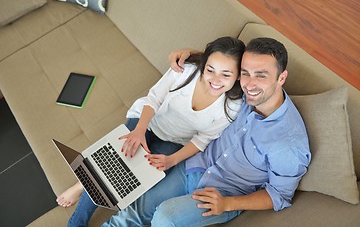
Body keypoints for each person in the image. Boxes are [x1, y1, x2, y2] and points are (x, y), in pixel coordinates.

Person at [99, 37, 311, 226]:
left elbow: (279, 196)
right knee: (132, 213)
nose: (250, 84)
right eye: (245, 74)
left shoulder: (289, 144)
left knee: (164, 218)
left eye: (261, 75)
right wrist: (189, 54)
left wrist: (228, 204)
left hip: (224, 193)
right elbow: (220, 63)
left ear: (281, 78)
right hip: (195, 167)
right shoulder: (243, 96)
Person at [57, 36, 246, 223]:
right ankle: (78, 219)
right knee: (113, 166)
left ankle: (83, 183)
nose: (215, 79)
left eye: (226, 74)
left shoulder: (232, 106)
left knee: (132, 176)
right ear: (204, 64)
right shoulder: (185, 72)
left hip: (173, 142)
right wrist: (139, 130)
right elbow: (153, 99)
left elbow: (202, 140)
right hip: (146, 121)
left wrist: (172, 160)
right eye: (210, 70)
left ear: (238, 76)